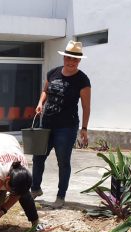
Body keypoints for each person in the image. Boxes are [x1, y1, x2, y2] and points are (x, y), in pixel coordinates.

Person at [31, 40, 91, 208]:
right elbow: (45, 90)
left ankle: (60, 195)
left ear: (79, 61)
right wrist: (40, 103)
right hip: (46, 123)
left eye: (75, 59)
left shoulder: (82, 80)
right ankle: (35, 189)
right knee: (38, 157)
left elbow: (86, 106)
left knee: (63, 162)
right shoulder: (53, 73)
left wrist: (84, 128)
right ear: (64, 57)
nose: (71, 62)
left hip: (67, 127)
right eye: (68, 58)